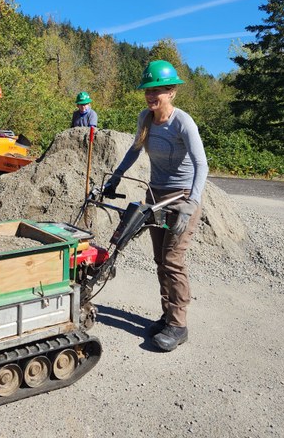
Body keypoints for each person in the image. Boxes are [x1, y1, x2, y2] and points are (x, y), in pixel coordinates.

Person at [103, 60, 208, 352]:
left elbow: (202, 163)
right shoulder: (145, 118)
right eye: (148, 90)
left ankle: (179, 324)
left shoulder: (182, 122)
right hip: (156, 196)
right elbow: (135, 149)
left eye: (158, 90)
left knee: (173, 260)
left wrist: (193, 202)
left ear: (171, 92)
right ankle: (167, 316)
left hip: (182, 197)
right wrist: (115, 177)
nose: (151, 96)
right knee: (160, 261)